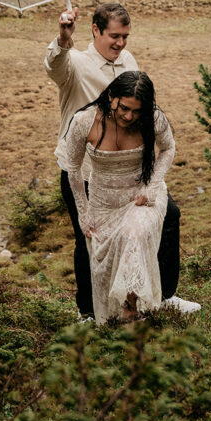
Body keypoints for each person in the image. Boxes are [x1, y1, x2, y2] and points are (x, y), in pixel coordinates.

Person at [44, 1, 199, 318]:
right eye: (114, 35)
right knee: (87, 238)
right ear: (95, 30)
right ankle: (89, 312)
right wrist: (63, 37)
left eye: (125, 36)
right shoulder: (75, 63)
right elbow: (55, 66)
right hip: (86, 170)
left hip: (129, 171)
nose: (120, 43)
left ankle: (164, 294)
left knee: (168, 217)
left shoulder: (128, 60)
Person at [65, 71, 174, 323]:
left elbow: (168, 148)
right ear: (111, 96)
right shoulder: (84, 121)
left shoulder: (153, 118)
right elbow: (73, 168)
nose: (129, 116)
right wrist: (84, 212)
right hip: (102, 204)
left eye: (136, 111)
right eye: (124, 108)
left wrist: (153, 186)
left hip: (140, 197)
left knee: (133, 234)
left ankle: (132, 310)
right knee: (105, 267)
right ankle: (113, 321)